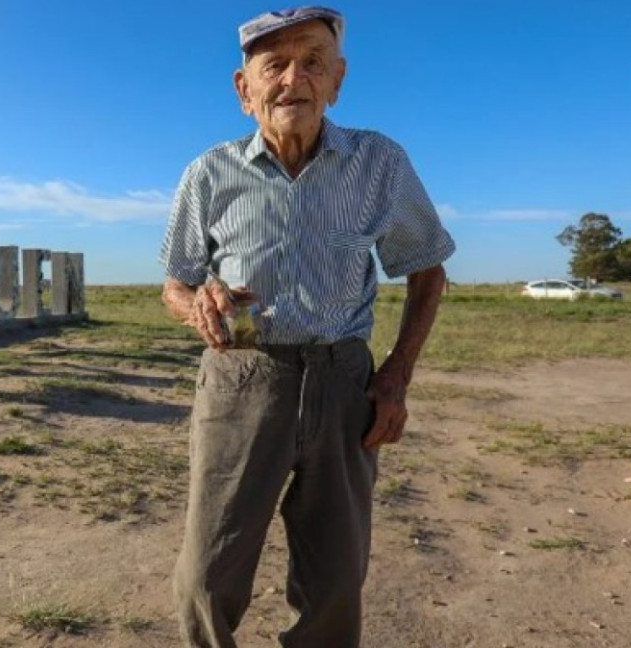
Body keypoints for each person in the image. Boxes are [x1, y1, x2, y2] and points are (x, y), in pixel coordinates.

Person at [159, 7, 455, 648]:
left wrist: (396, 376)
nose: (295, 77)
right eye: (275, 65)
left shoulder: (378, 163)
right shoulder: (209, 173)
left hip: (343, 381)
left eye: (314, 61)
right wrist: (197, 303)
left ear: (337, 81)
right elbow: (175, 282)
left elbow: (427, 270)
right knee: (207, 577)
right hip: (242, 380)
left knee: (336, 582)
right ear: (245, 90)